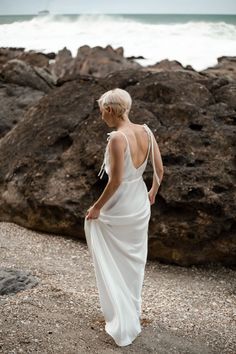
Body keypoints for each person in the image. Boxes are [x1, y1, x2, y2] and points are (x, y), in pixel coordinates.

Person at [84, 88, 164, 347]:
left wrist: (97, 207)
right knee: (132, 263)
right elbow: (159, 170)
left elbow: (116, 180)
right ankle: (130, 312)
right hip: (139, 204)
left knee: (107, 249)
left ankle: (123, 319)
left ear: (108, 110)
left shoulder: (118, 138)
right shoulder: (147, 132)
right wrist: (152, 191)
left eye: (101, 111)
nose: (101, 116)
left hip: (120, 207)